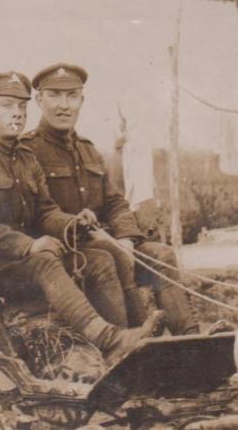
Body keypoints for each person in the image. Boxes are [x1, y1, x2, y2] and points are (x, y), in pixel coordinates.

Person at [0, 71, 162, 364]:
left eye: (22, 106)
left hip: (15, 264)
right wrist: (27, 246)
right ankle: (108, 341)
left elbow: (45, 211)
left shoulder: (26, 159)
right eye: (7, 105)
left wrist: (72, 223)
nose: (17, 114)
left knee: (100, 258)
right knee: (44, 259)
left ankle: (125, 345)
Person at [23, 63, 198, 334]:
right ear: (39, 100)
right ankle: (128, 345)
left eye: (71, 96)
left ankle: (189, 340)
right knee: (105, 259)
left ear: (81, 100)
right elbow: (35, 214)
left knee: (160, 255)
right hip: (64, 256)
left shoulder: (88, 151)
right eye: (54, 95)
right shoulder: (27, 151)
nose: (63, 105)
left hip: (108, 244)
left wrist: (127, 239)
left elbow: (115, 203)